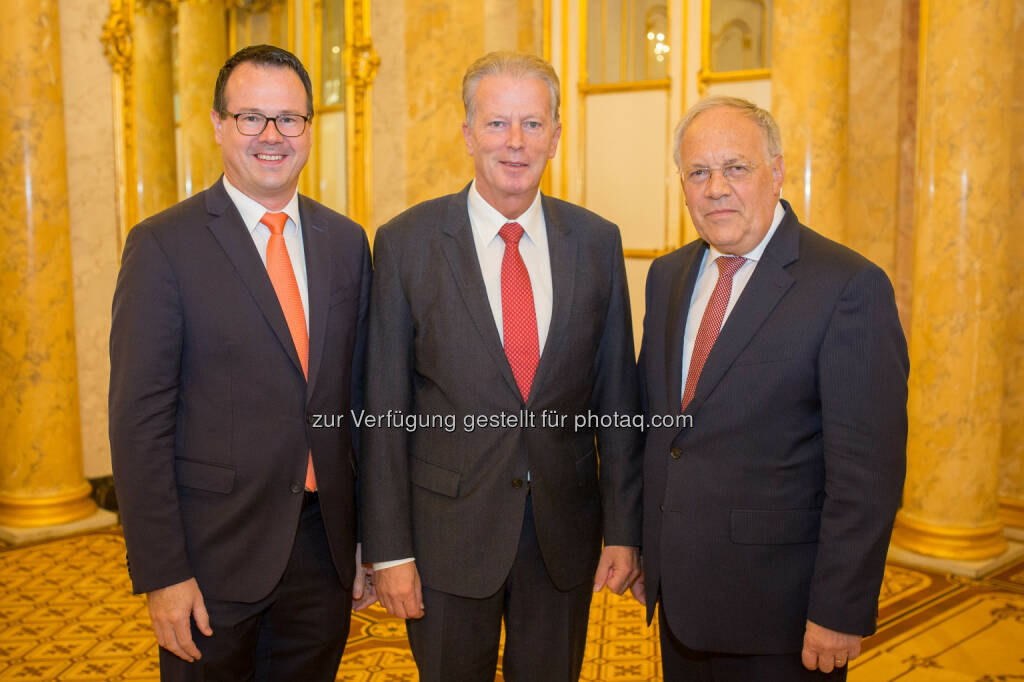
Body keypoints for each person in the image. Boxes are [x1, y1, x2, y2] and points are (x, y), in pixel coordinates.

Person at [360, 51, 643, 681]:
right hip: (443, 543)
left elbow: (618, 400)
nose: (515, 143)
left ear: (556, 136)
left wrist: (624, 530)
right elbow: (382, 411)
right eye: (495, 124)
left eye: (532, 124)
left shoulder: (597, 242)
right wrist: (388, 550)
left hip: (562, 541)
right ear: (466, 134)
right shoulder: (406, 243)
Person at [109, 44, 373, 681]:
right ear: (219, 124)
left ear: (310, 129)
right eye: (252, 117)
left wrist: (367, 537)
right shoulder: (162, 245)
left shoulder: (345, 241)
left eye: (289, 119)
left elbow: (358, 403)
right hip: (211, 557)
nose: (272, 136)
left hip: (323, 551)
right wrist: (163, 573)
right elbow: (137, 425)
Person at [635, 95, 908, 680]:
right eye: (698, 172)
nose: (715, 188)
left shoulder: (847, 286)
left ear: (777, 171)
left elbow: (867, 473)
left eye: (736, 167)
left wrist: (840, 608)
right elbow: (661, 428)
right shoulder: (668, 276)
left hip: (782, 614)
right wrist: (642, 545)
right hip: (681, 598)